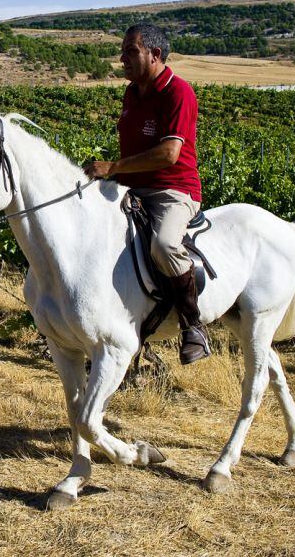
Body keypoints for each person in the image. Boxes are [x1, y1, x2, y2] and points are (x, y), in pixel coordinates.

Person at [83, 23, 210, 364]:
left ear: (155, 55)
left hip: (173, 189)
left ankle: (192, 325)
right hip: (133, 186)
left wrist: (114, 167)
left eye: (130, 52)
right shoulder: (131, 93)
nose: (122, 58)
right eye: (122, 51)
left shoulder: (178, 93)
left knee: (164, 244)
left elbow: (169, 153)